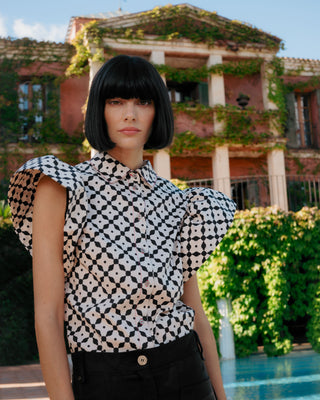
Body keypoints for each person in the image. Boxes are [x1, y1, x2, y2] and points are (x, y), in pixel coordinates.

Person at [8, 55, 236, 400]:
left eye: (143, 102)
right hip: (106, 383)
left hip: (187, 374)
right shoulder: (62, 186)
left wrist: (221, 396)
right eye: (116, 102)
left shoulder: (178, 201)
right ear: (99, 110)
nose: (130, 114)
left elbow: (196, 313)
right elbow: (48, 315)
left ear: (157, 111)